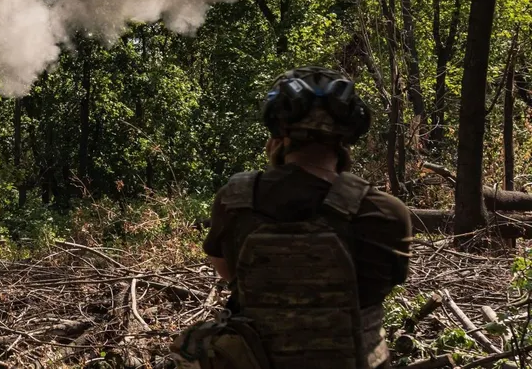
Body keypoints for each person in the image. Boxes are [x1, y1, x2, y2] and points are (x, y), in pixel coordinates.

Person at [175, 66, 412, 369]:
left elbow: (229, 272)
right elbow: (382, 286)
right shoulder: (387, 212)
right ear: (346, 138)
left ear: (278, 133)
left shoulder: (235, 199)